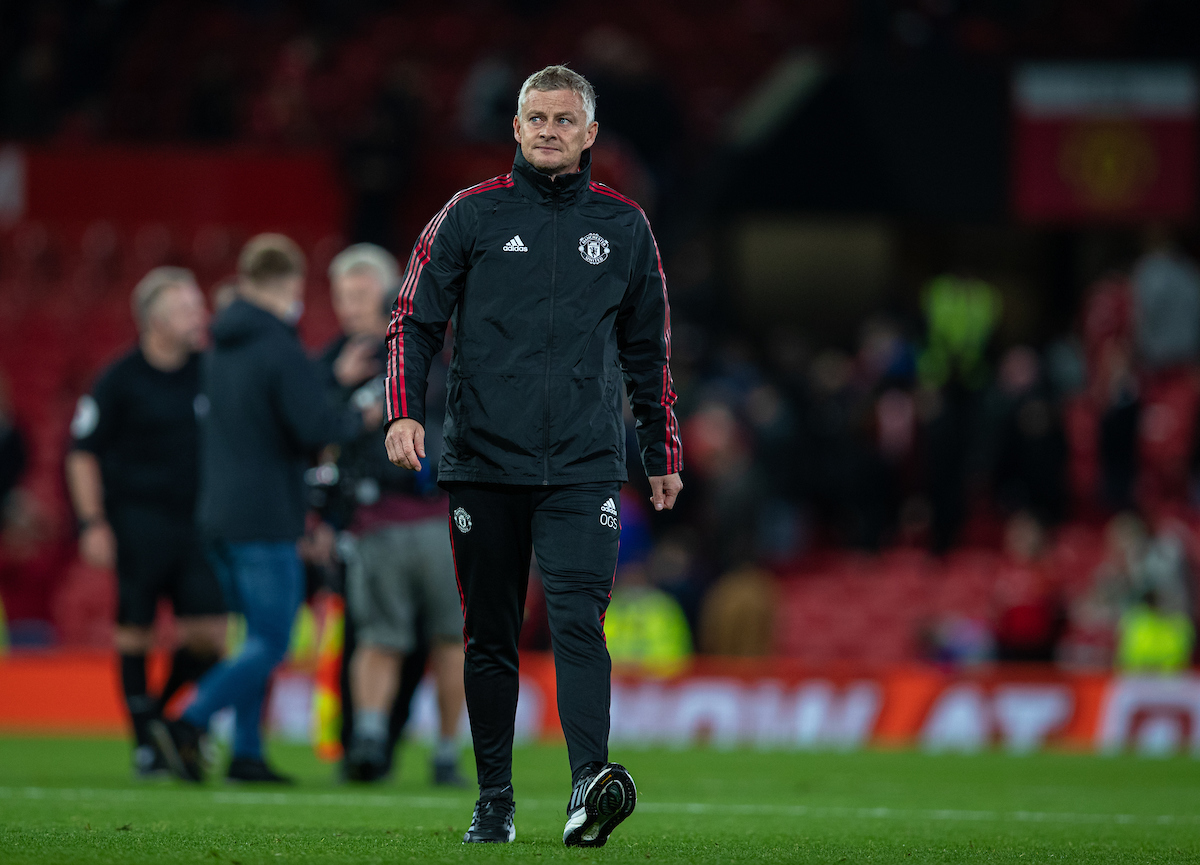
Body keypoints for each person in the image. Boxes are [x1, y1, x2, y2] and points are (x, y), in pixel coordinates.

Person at [384, 65, 683, 846]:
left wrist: (660, 448)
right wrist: (404, 413)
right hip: (482, 459)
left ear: (591, 135)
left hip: (585, 464)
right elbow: (411, 319)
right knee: (490, 634)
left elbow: (649, 351)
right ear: (515, 129)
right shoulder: (469, 216)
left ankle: (589, 785)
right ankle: (494, 798)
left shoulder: (624, 227)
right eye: (535, 117)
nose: (548, 129)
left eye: (564, 118)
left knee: (581, 622)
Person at [152, 234, 380, 784]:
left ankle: (248, 752)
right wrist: (361, 420)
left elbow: (266, 413)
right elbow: (311, 426)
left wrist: (326, 380)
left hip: (219, 513)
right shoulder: (279, 346)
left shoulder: (221, 347)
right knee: (272, 641)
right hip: (264, 516)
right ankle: (187, 719)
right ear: (291, 284)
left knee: (254, 634)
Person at [65, 267, 226, 778]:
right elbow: (81, 453)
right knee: (134, 631)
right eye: (186, 308)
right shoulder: (119, 379)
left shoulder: (210, 370)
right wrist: (92, 523)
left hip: (199, 523)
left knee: (210, 639)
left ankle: (156, 715)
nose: (198, 316)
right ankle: (143, 743)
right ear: (154, 319)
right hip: (138, 521)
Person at [317, 243, 466, 785]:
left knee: (450, 640)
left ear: (385, 293)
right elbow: (311, 435)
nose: (348, 305)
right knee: (380, 637)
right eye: (341, 295)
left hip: (434, 514)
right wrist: (337, 386)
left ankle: (445, 750)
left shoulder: (424, 348)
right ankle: (370, 740)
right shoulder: (333, 360)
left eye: (359, 294)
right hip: (373, 519)